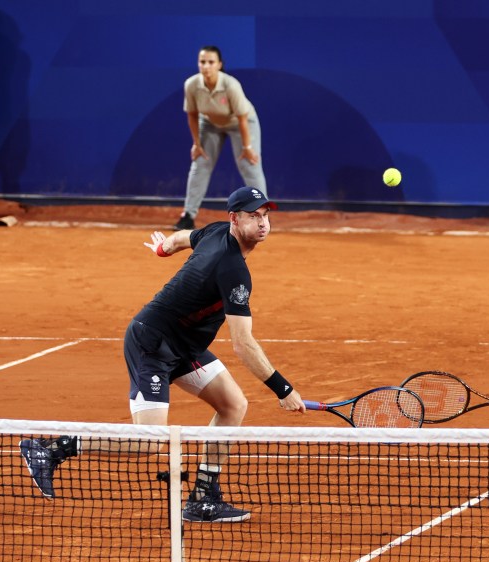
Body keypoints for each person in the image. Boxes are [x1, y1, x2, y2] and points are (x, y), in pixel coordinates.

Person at [20, 186, 306, 523]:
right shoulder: (232, 271)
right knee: (149, 442)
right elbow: (243, 344)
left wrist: (161, 249)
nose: (263, 223)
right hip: (152, 343)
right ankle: (52, 449)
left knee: (233, 406)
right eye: (254, 216)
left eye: (266, 215)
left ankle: (203, 498)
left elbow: (183, 237)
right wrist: (283, 390)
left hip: (185, 345)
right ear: (234, 218)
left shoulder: (215, 230)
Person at [173, 45, 267, 231]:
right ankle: (188, 215)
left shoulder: (231, 85)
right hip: (209, 124)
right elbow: (192, 115)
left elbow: (242, 118)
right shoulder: (191, 85)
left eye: (211, 62)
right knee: (200, 164)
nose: (206, 66)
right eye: (202, 62)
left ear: (219, 65)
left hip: (241, 123)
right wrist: (196, 144)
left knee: (249, 164)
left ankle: (262, 214)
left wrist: (247, 147)